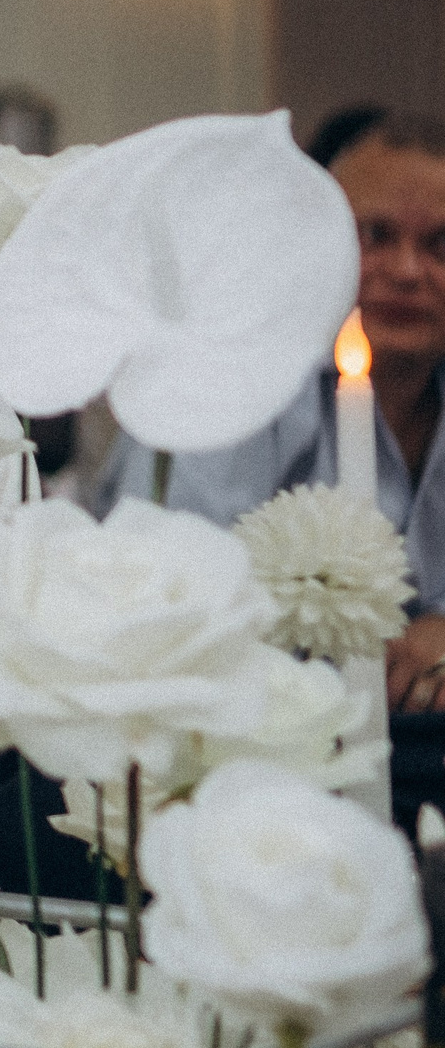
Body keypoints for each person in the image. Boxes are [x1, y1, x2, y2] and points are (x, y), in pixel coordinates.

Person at [96, 107, 445, 709]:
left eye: (440, 244)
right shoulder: (229, 387)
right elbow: (157, 607)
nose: (408, 272)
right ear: (316, 238)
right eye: (376, 236)